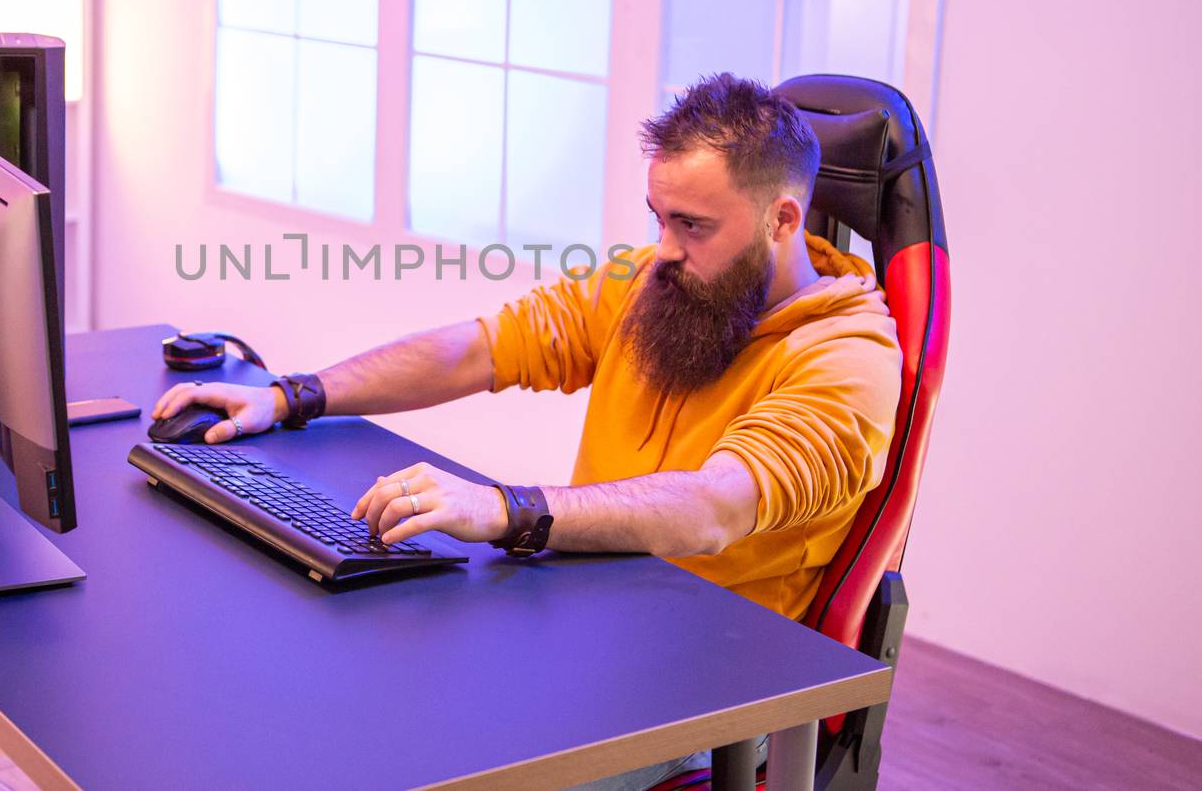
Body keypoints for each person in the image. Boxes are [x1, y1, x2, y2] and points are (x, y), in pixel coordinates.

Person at [154, 73, 903, 786]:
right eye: (659, 217)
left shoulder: (847, 358)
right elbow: (483, 347)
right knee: (346, 695)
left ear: (782, 219)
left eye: (694, 225)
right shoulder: (659, 282)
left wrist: (507, 508)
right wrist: (294, 395)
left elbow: (715, 506)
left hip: (713, 686)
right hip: (590, 623)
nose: (665, 247)